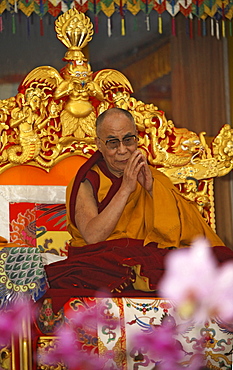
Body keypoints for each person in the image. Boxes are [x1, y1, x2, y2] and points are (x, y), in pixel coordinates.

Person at [45, 108, 233, 299]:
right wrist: (126, 188)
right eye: (112, 143)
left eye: (128, 140)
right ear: (98, 144)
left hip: (145, 257)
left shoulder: (154, 179)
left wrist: (152, 190)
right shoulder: (87, 182)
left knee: (214, 264)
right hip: (104, 264)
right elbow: (93, 236)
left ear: (137, 138)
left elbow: (184, 233)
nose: (122, 150)